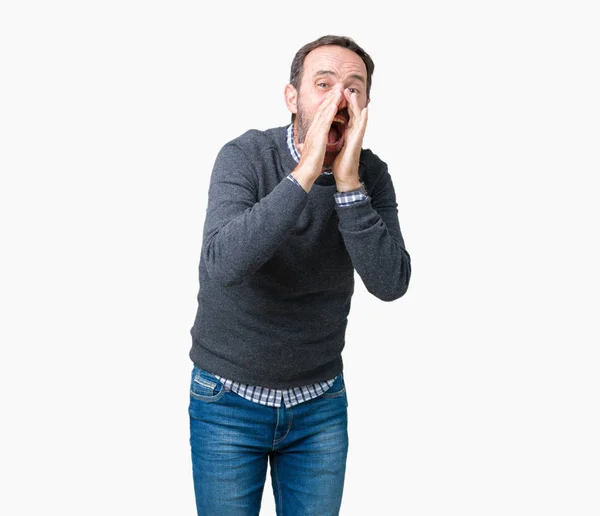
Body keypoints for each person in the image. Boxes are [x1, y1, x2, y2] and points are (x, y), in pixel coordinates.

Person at [188, 34, 411, 516]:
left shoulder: (371, 176)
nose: (340, 98)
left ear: (368, 104)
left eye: (355, 88)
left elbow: (391, 282)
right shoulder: (245, 156)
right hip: (227, 399)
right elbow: (223, 265)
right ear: (293, 97)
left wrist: (348, 185)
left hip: (318, 406)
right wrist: (305, 173)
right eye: (324, 83)